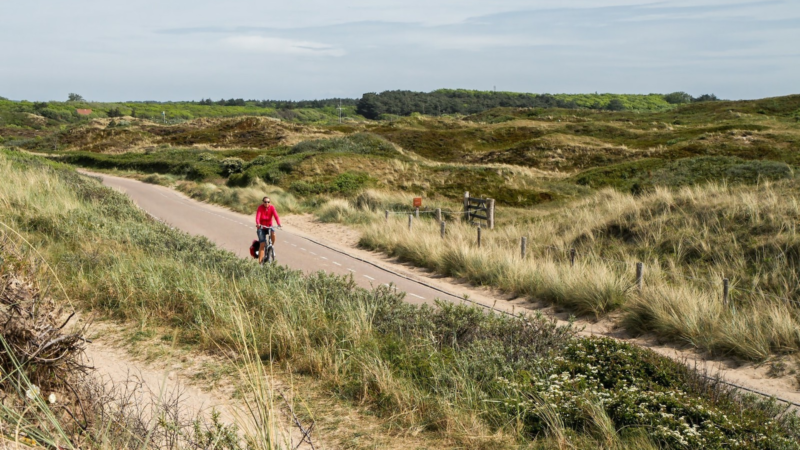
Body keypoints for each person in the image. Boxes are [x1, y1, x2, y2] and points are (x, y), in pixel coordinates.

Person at [255, 196, 281, 263]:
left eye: (268, 202)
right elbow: (258, 217)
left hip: (269, 226)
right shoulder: (260, 208)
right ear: (263, 202)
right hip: (261, 227)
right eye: (265, 202)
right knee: (262, 244)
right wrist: (258, 223)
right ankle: (260, 263)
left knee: (273, 234)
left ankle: (272, 246)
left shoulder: (272, 208)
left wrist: (279, 224)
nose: (267, 203)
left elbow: (276, 216)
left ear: (270, 202)